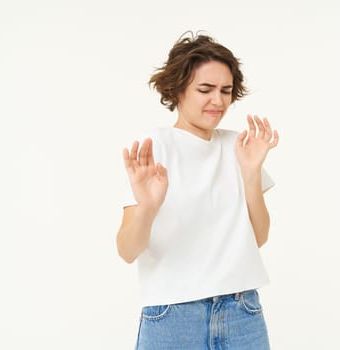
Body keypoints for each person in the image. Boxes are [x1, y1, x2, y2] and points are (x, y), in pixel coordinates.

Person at [117, 32, 279, 350]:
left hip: (242, 312)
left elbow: (259, 237)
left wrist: (250, 176)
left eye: (226, 91)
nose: (217, 101)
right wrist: (147, 209)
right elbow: (127, 251)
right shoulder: (154, 147)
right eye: (205, 90)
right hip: (173, 318)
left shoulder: (240, 147)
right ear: (178, 90)